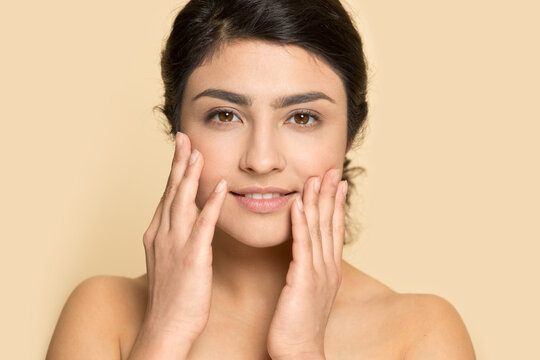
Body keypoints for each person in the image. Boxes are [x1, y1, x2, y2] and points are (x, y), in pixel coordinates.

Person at [46, 0, 476, 359]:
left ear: (352, 131)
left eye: (303, 117)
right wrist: (165, 332)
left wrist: (303, 349)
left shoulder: (421, 335)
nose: (262, 159)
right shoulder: (103, 315)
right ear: (177, 127)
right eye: (225, 115)